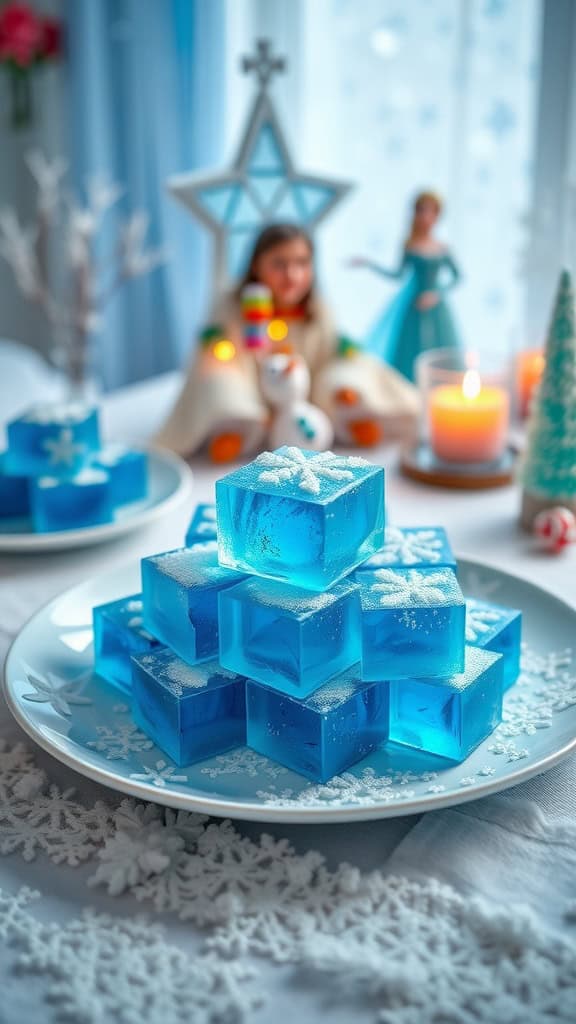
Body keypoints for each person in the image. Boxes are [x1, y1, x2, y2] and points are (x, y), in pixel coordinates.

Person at [156, 222, 419, 462]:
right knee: (219, 379)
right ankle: (236, 427)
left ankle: (353, 419)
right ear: (257, 266)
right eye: (279, 264)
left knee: (352, 370)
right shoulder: (232, 306)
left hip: (303, 397)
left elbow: (328, 355)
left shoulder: (317, 309)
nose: (292, 274)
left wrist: (337, 385)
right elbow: (221, 356)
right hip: (250, 388)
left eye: (302, 263)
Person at [351, 191, 461, 383]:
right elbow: (397, 275)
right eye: (422, 211)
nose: (426, 217)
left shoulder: (442, 248)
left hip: (436, 308)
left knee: (439, 351)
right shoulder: (409, 246)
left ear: (437, 216)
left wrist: (437, 294)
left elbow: (457, 277)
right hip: (414, 306)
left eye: (431, 212)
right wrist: (369, 264)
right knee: (410, 351)